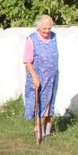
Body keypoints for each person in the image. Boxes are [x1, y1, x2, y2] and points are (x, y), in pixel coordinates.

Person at [23, 14, 59, 142]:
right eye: (44, 29)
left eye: (49, 28)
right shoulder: (32, 39)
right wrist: (34, 77)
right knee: (40, 105)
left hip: (52, 77)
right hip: (38, 77)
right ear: (38, 28)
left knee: (50, 105)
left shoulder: (54, 37)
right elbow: (27, 61)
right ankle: (40, 133)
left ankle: (48, 132)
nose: (47, 31)